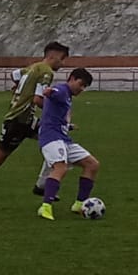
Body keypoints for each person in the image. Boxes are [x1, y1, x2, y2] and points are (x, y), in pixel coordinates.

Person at [0, 41, 69, 207]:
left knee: (56, 140)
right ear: (52, 56)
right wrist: (57, 111)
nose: (63, 63)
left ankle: (41, 186)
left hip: (26, 120)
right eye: (62, 59)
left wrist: (19, 89)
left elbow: (14, 74)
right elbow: (39, 100)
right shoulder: (46, 72)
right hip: (17, 121)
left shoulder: (32, 67)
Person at [36, 67, 99, 220]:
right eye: (81, 84)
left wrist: (68, 126)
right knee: (61, 168)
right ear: (71, 78)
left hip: (63, 138)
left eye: (85, 87)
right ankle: (45, 207)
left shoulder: (68, 95)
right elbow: (54, 93)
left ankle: (79, 204)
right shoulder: (62, 90)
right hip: (50, 137)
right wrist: (49, 92)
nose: (82, 89)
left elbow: (56, 114)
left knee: (92, 165)